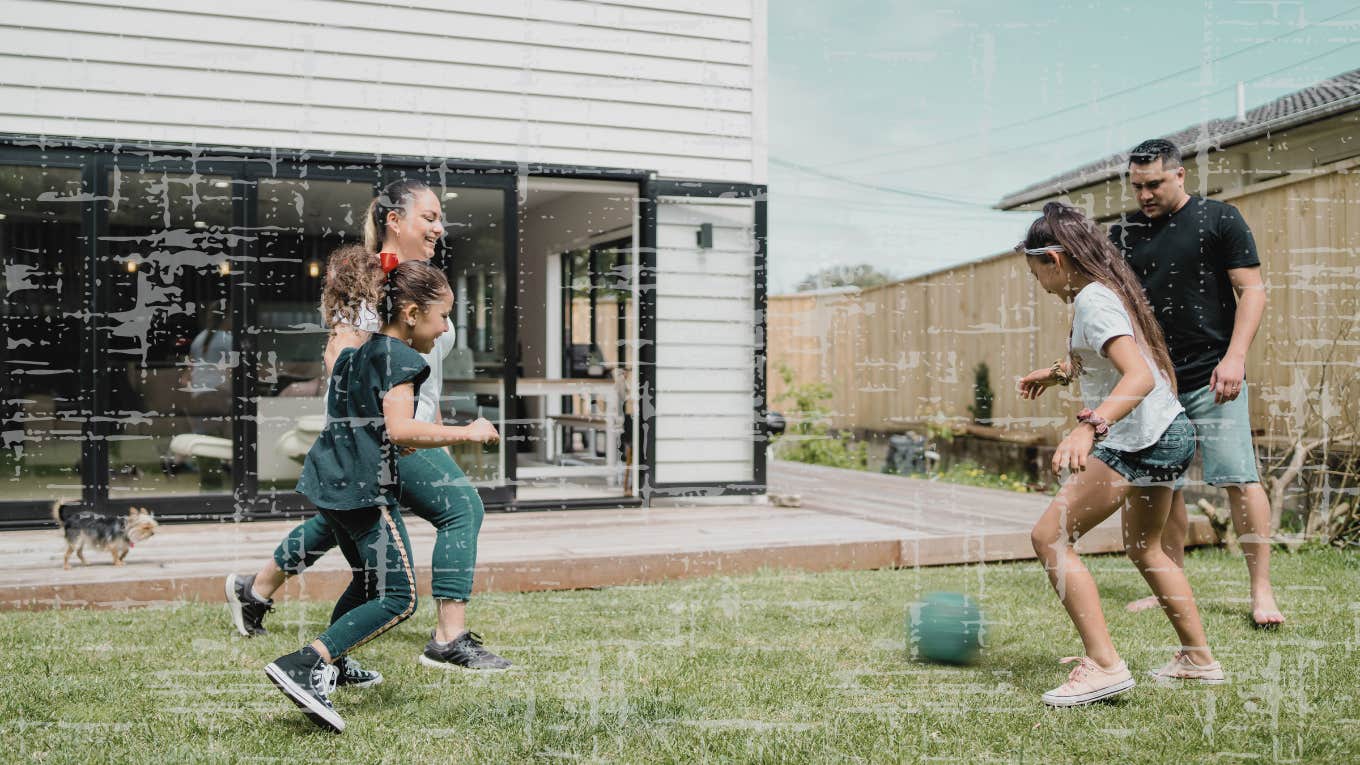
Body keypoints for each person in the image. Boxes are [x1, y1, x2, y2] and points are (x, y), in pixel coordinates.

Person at [227, 179, 510, 679]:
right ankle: (448, 639)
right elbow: (341, 359)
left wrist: (437, 427)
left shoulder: (420, 282)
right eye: (430, 217)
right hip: (383, 436)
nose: (439, 226)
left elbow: (428, 376)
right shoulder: (368, 285)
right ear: (394, 221)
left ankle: (256, 590)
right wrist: (389, 427)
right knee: (460, 509)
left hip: (411, 428)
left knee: (344, 522)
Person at [1017, 202, 1223, 708]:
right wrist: (1059, 373)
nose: (1038, 283)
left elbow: (1139, 375)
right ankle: (1198, 659)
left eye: (1035, 270)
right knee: (1146, 548)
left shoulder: (1093, 300)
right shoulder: (1105, 292)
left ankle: (1104, 665)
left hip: (1138, 438)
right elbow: (1106, 358)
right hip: (1169, 431)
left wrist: (1090, 428)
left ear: (1055, 259)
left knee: (1050, 538)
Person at [1110, 138, 1283, 629]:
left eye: (1154, 184)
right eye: (1138, 186)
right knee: (1166, 486)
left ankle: (1261, 590)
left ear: (1180, 176)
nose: (1145, 195)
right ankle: (1173, 579)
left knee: (1238, 478)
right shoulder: (1123, 234)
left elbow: (1251, 290)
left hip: (1214, 375)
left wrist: (1234, 358)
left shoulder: (1219, 219)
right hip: (1157, 382)